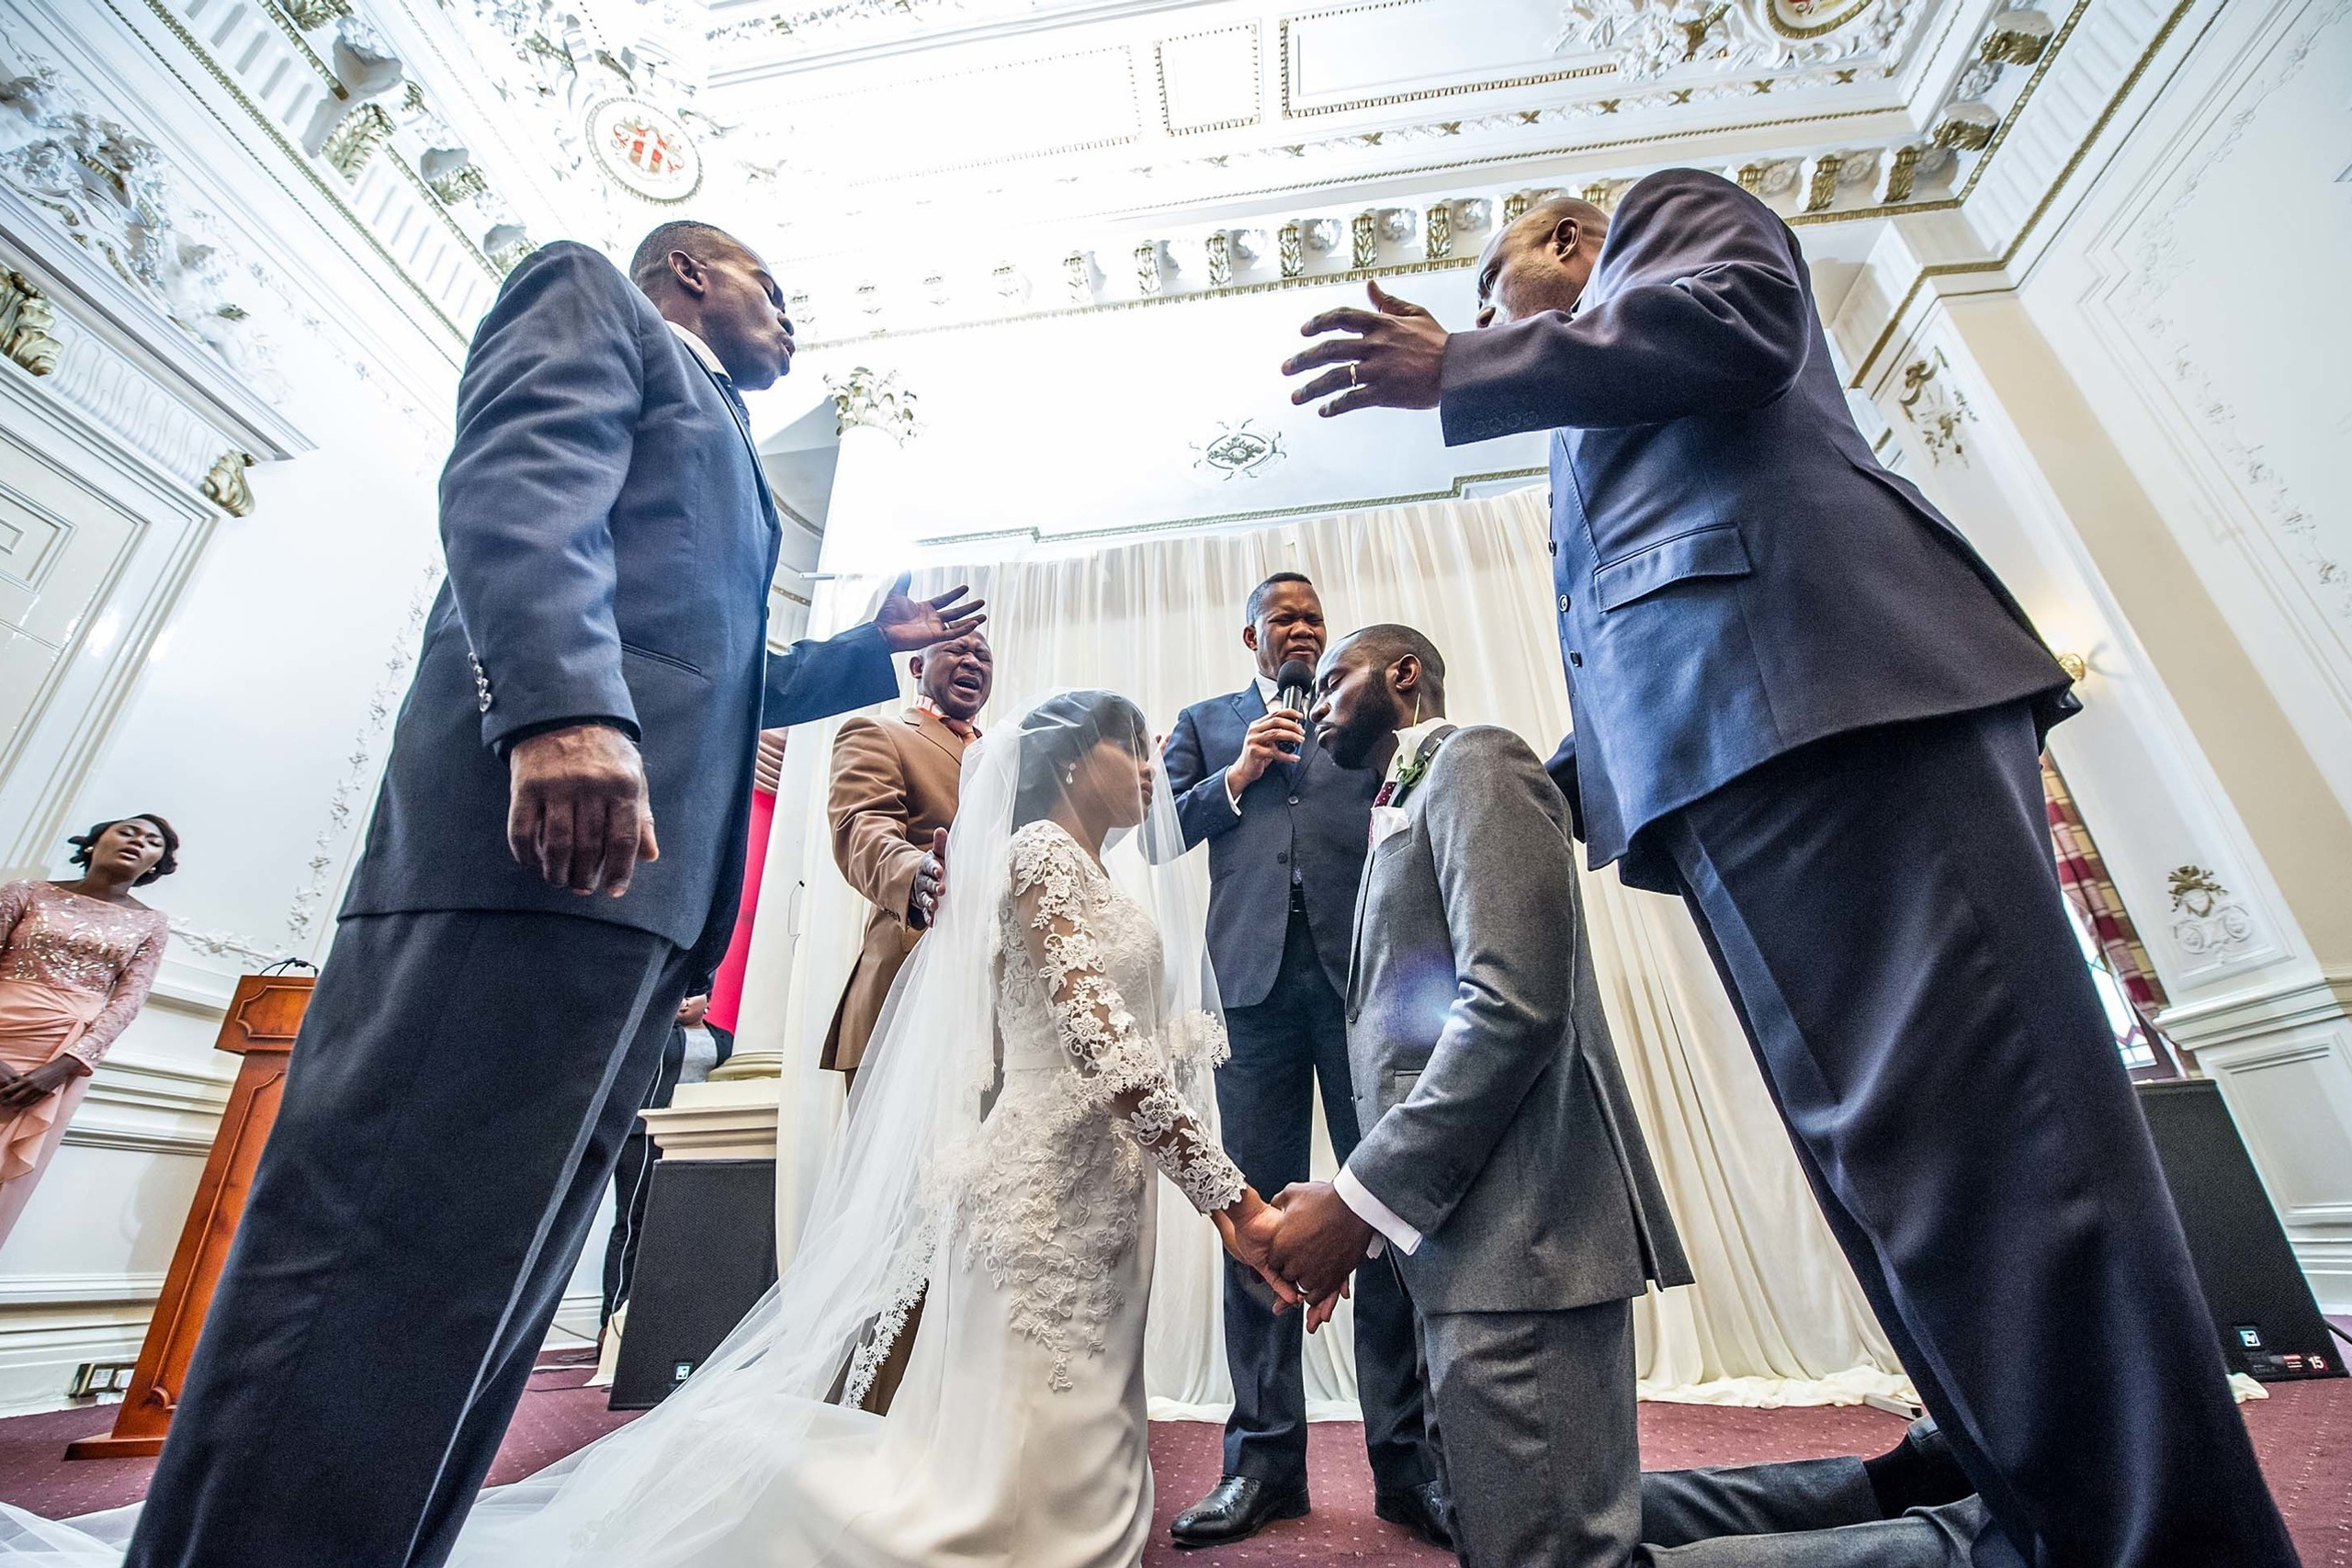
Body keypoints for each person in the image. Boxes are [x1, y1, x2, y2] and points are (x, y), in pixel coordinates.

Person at [1281, 170, 2299, 1567]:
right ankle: (2040, 1503)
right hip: (1739, 772)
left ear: (1568, 242)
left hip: (1838, 718)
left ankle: (2165, 1537)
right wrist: (1518, 788)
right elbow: (1648, 654)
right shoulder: (1590, 423)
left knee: (2003, 1165)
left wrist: (1460, 365)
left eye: (1489, 289)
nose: (1486, 318)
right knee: (1904, 1195)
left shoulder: (1668, 221)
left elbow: (1746, 326)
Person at [112, 220, 985, 1568]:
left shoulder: (731, 455)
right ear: (688, 272)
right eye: (773, 285)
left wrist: (870, 650)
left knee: (482, 1296)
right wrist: (561, 709)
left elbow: (714, 678)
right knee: (378, 1258)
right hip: (522, 862)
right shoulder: (589, 295)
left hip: (634, 907)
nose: (790, 316)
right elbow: (518, 491)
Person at [1267, 626, 1690, 1568]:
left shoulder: (1476, 761)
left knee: (1558, 1552)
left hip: (1523, 1248)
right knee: (1511, 1532)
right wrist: (1371, 1219)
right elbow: (1412, 1046)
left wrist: (1357, 1199)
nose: (1316, 703)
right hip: (1461, 1249)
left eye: (1335, 680)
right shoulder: (1399, 809)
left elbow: (1510, 1007)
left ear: (1404, 674)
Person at [1159, 574, 1443, 1549]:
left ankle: (1408, 1463)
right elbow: (1157, 831)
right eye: (1284, 617)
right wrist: (1237, 773)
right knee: (1255, 1222)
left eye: (1314, 617)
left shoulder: (1352, 714)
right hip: (1250, 997)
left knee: (1387, 1211)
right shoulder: (1207, 723)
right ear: (1250, 635)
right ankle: (1264, 1464)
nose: (1303, 630)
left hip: (1365, 989)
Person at [821, 627, 992, 1088]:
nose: (972, 662)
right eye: (957, 650)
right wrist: (915, 872)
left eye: (983, 656)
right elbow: (862, 829)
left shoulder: (1005, 757)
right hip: (909, 976)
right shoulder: (878, 733)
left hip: (994, 996)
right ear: (917, 666)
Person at [0, 817, 175, 1251]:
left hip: (59, 1061)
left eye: (152, 841)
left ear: (157, 864)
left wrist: (65, 1066)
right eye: (128, 832)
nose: (138, 842)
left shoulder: (152, 924)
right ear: (95, 843)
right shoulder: (26, 892)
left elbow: (128, 1001)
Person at [599, 991, 720, 1332]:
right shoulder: (652, 1033)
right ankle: (613, 1319)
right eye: (679, 995)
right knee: (633, 1221)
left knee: (686, 1226)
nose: (684, 1001)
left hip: (695, 1140)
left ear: (709, 1000)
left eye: (693, 995)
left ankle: (667, 1318)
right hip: (645, 1135)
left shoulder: (726, 1041)